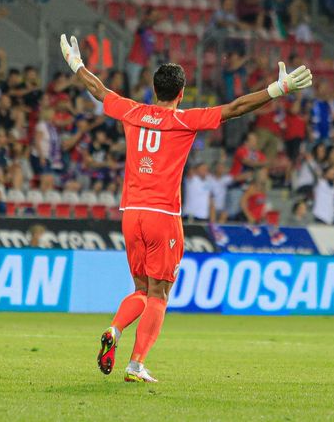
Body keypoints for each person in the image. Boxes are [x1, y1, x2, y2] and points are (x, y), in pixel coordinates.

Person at [59, 33, 312, 382]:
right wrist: (277, 90)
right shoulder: (185, 120)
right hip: (163, 216)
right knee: (159, 294)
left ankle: (114, 331)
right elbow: (236, 108)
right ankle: (135, 364)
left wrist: (77, 64)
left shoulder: (132, 111)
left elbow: (99, 90)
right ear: (181, 94)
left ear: (152, 89)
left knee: (139, 290)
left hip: (131, 213)